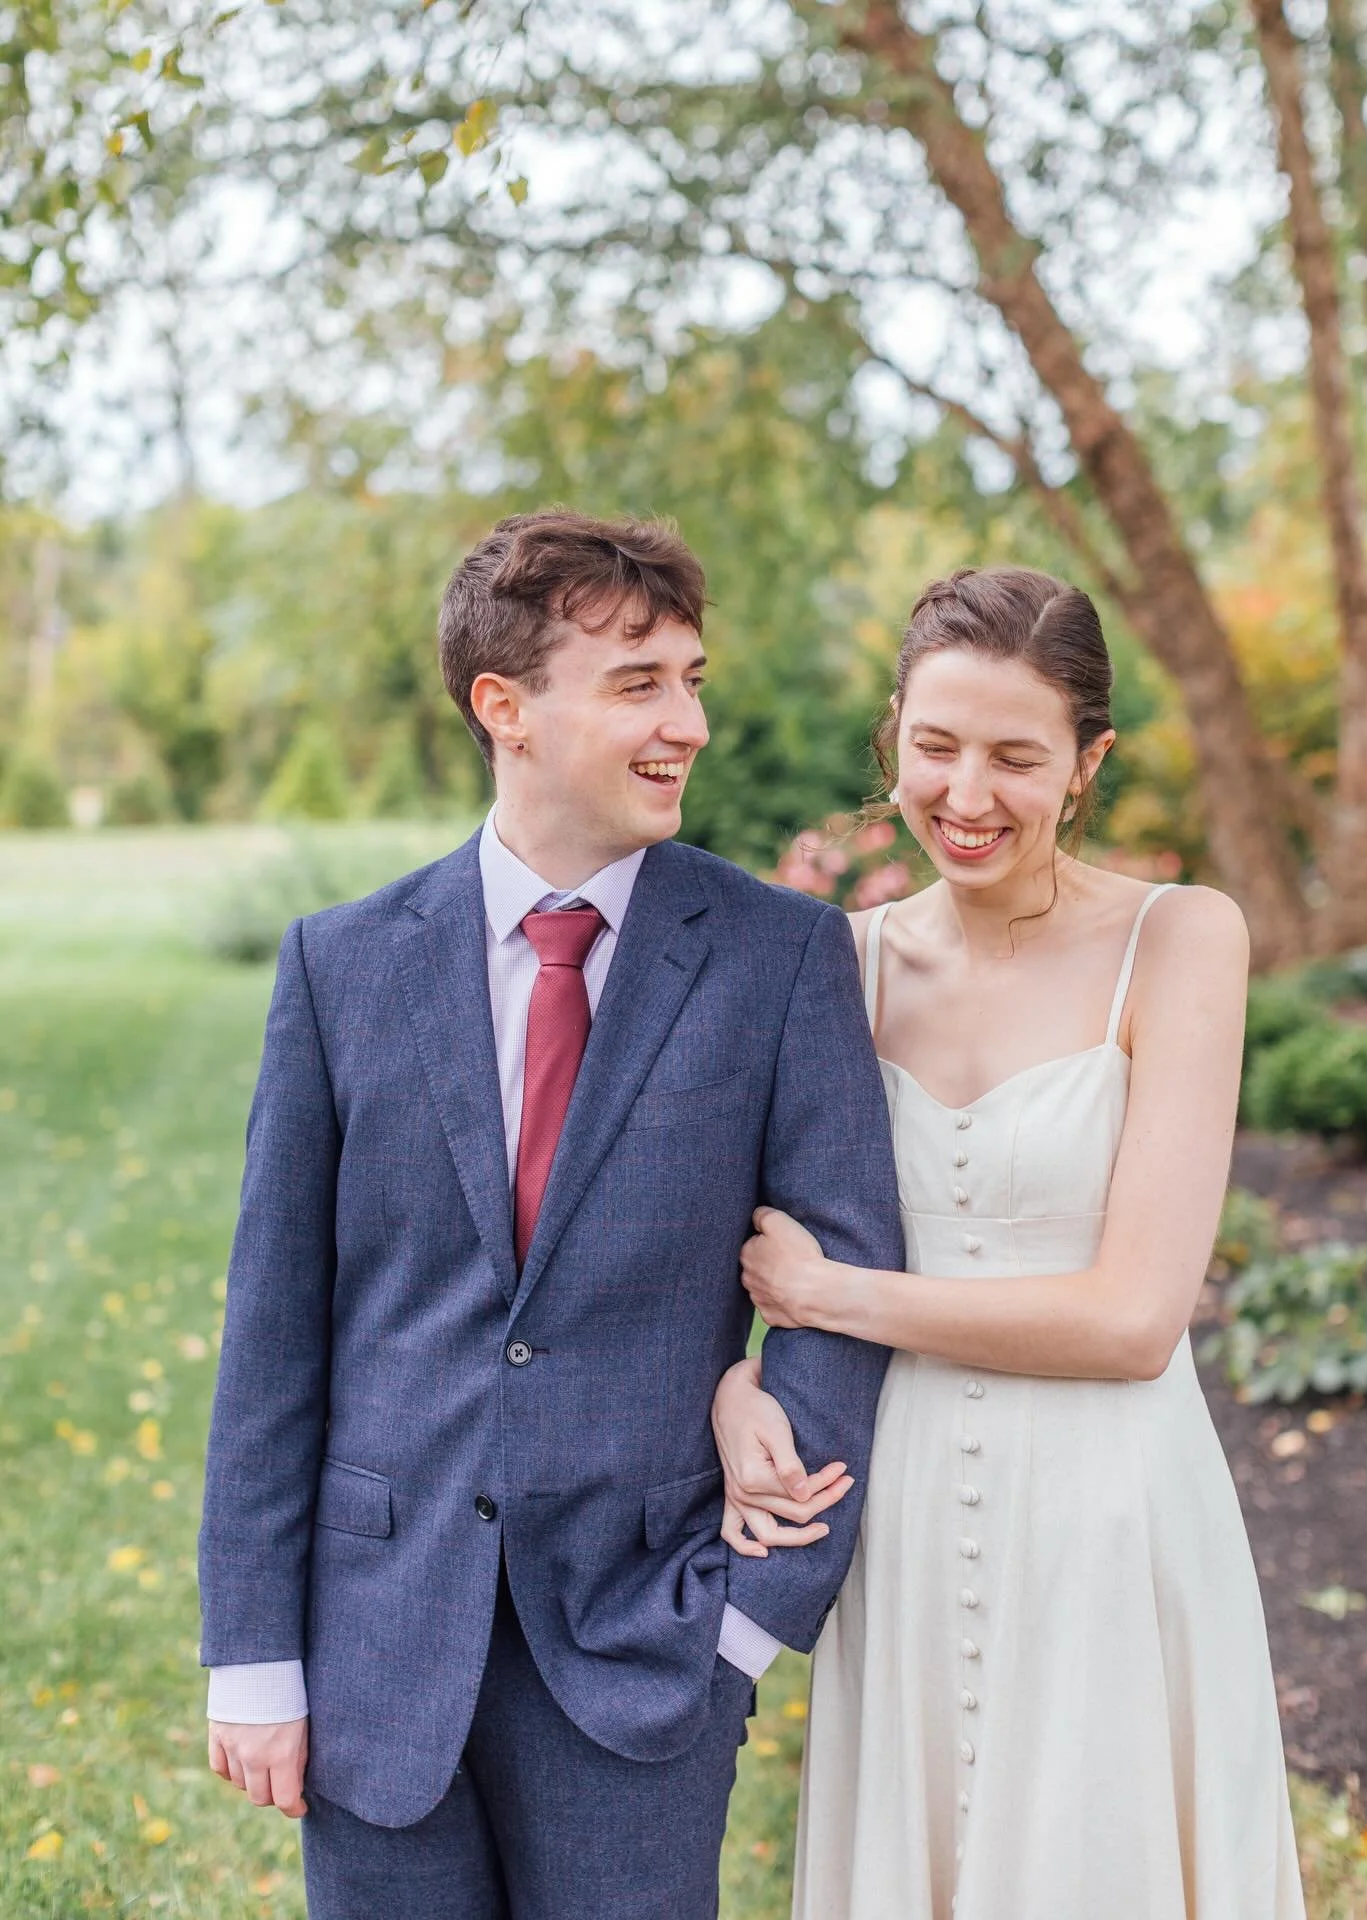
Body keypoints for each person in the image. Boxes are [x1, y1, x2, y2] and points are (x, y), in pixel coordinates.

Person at [198, 509, 904, 1920]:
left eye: (693, 678)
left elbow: (851, 1283)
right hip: (374, 1643)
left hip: (647, 1648)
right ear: (503, 708)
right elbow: (277, 1333)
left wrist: (746, 1628)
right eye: (640, 682)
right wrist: (258, 1658)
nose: (688, 721)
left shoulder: (777, 957)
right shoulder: (342, 968)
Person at [711, 566, 1307, 1919]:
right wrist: (735, 1388)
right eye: (935, 748)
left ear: (1087, 764)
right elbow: (716, 1255)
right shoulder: (834, 965)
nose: (966, 797)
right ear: (893, 737)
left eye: (1016, 758)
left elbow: (1131, 1321)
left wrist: (837, 1295)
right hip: (902, 1506)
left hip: (1110, 1510)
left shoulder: (1182, 940)